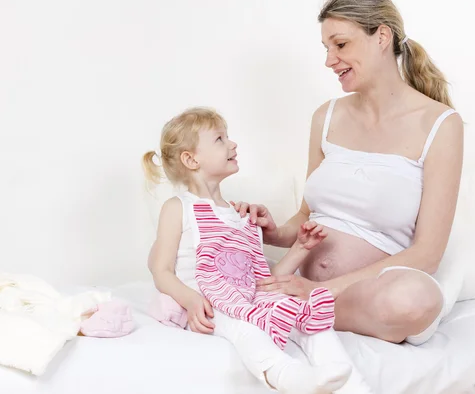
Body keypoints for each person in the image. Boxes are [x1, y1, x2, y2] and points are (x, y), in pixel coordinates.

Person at [233, 0, 464, 348]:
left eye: (340, 45)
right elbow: (307, 217)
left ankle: (296, 309)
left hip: (363, 295)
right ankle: (298, 309)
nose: (329, 60)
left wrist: (320, 291)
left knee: (416, 297)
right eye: (326, 49)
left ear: (381, 37)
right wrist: (272, 232)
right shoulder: (326, 117)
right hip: (306, 287)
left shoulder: (440, 125)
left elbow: (427, 254)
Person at [143, 107, 374, 394]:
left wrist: (301, 248)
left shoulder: (240, 215)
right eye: (219, 139)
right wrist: (190, 300)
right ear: (191, 159)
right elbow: (161, 270)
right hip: (210, 304)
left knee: (306, 314)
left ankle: (352, 383)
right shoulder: (178, 208)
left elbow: (263, 281)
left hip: (250, 298)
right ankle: (288, 376)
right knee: (245, 328)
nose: (232, 144)